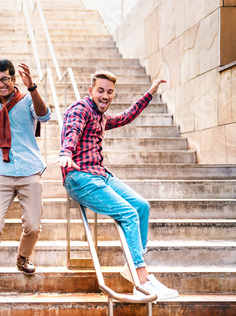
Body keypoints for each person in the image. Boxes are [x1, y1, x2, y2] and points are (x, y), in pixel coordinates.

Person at [56, 70, 179, 300]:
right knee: (128, 214)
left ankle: (131, 268)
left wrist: (150, 93)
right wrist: (65, 153)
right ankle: (141, 279)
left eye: (109, 92)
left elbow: (126, 117)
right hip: (79, 176)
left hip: (100, 174)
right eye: (100, 90)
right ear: (90, 90)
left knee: (141, 206)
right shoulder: (80, 109)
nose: (105, 96)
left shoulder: (101, 116)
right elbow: (72, 130)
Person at [0, 59, 50, 300]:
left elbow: (44, 116)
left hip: (29, 169)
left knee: (33, 225)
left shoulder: (28, 99)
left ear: (13, 79)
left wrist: (32, 87)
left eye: (6, 79)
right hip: (1, 169)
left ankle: (22, 256)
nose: (1, 84)